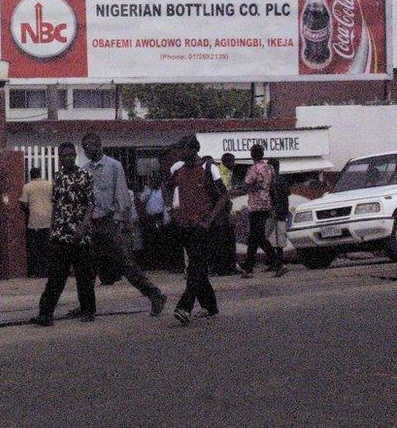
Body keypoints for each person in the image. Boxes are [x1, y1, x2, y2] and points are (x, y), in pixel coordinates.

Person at [80, 133, 166, 317]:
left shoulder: (113, 166)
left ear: (99, 145)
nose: (87, 149)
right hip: (91, 224)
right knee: (87, 267)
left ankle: (155, 294)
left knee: (126, 264)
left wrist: (125, 225)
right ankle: (87, 307)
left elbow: (123, 198)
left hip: (110, 223)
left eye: (90, 145)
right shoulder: (84, 170)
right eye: (84, 147)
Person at [30, 142, 96, 326]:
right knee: (56, 277)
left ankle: (88, 310)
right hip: (61, 234)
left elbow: (91, 205)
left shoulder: (85, 176)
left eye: (70, 155)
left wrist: (83, 227)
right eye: (63, 155)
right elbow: (55, 206)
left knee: (84, 276)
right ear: (59, 158)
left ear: (74, 155)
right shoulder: (57, 178)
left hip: (81, 235)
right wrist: (52, 230)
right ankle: (45, 314)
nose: (66, 158)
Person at [165, 136, 227, 324]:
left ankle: (185, 307)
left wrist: (208, 220)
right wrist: (170, 209)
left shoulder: (209, 169)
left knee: (195, 267)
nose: (179, 153)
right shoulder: (178, 170)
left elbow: (223, 196)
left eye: (182, 149)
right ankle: (210, 306)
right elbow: (165, 186)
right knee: (197, 266)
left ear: (192, 149)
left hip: (204, 227)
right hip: (185, 226)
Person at [238, 144, 284, 278]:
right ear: (262, 154)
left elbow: (246, 185)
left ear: (252, 155)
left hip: (255, 206)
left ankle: (278, 263)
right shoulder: (270, 168)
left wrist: (234, 191)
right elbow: (272, 187)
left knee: (257, 237)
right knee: (255, 237)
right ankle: (249, 269)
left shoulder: (252, 169)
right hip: (267, 204)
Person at [20, 167, 52, 278]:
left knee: (35, 247)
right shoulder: (49, 184)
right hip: (48, 219)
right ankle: (47, 270)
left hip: (34, 220)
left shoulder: (27, 187)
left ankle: (37, 271)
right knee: (47, 245)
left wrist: (28, 213)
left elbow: (23, 203)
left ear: (30, 175)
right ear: (40, 174)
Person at [267, 159, 291, 278]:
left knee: (276, 239)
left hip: (277, 212)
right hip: (281, 212)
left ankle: (278, 263)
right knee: (276, 239)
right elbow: (288, 193)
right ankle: (276, 263)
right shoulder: (280, 180)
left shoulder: (275, 181)